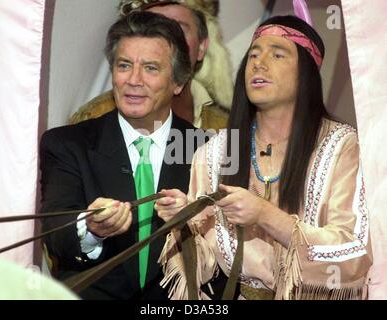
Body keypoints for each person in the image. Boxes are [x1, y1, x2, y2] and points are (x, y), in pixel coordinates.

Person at [155, 15, 372, 300]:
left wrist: (265, 215)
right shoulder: (215, 152)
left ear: (305, 72)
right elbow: (204, 264)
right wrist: (182, 223)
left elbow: (353, 252)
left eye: (278, 54)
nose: (259, 62)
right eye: (253, 54)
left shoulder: (342, 145)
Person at [40, 11, 200, 300]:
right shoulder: (66, 144)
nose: (133, 80)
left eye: (151, 68)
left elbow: (233, 253)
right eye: (124, 65)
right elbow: (55, 237)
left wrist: (196, 223)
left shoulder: (208, 150)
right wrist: (90, 229)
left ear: (178, 82)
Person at [69, 0, 233, 131]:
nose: (165, 40)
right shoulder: (93, 117)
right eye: (152, 28)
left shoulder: (228, 128)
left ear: (202, 47)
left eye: (179, 29)